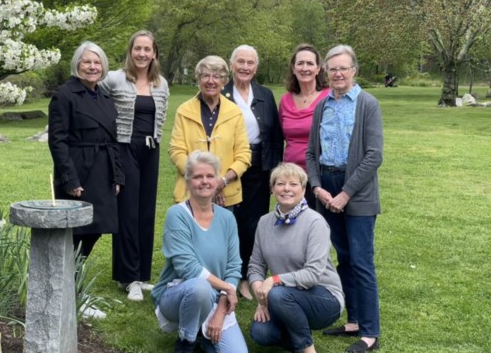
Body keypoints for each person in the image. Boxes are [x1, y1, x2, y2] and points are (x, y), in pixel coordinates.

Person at [306, 45, 383, 353]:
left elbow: (374, 155)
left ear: (354, 71)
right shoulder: (323, 106)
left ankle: (369, 332)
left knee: (362, 262)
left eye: (343, 68)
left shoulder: (368, 104)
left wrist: (346, 193)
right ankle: (352, 320)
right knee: (343, 258)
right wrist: (317, 187)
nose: (337, 73)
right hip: (326, 188)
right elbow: (312, 153)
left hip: (357, 191)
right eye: (332, 69)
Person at [152, 151, 248, 353]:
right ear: (188, 182)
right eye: (197, 177)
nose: (204, 181)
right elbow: (188, 268)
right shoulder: (177, 214)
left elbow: (233, 267)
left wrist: (221, 310)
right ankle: (186, 342)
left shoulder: (227, 218)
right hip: (178, 295)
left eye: (209, 176)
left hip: (217, 298)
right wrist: (229, 289)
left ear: (217, 181)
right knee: (199, 288)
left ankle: (203, 335)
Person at [98, 30, 169, 302]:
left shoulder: (161, 83)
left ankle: (140, 275)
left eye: (147, 49)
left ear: (154, 54)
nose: (142, 54)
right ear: (130, 51)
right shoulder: (114, 79)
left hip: (151, 150)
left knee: (146, 213)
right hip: (125, 148)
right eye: (137, 48)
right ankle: (127, 278)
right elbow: (96, 100)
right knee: (127, 212)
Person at [248, 162, 344, 353]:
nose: (286, 189)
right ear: (272, 188)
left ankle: (307, 349)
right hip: (282, 296)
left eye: (293, 184)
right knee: (261, 332)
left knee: (278, 293)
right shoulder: (264, 222)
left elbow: (313, 275)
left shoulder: (315, 222)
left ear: (303, 188)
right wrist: (261, 297)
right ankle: (295, 327)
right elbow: (255, 266)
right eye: (280, 183)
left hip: (324, 297)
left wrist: (275, 281)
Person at [48, 41, 124, 259]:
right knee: (76, 232)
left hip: (103, 173)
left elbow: (113, 139)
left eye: (97, 62)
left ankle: (73, 277)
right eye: (87, 62)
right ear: (77, 65)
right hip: (79, 172)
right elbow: (57, 141)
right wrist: (68, 179)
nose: (92, 67)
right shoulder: (64, 95)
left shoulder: (104, 97)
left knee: (97, 227)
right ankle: (65, 281)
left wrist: (117, 176)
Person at [221, 44, 283, 300]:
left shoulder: (265, 94)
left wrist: (274, 172)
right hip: (229, 167)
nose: (245, 67)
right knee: (227, 222)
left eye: (250, 63)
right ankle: (225, 275)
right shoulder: (221, 92)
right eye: (241, 62)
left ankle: (247, 276)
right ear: (232, 64)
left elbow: (276, 136)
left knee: (253, 225)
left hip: (259, 166)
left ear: (255, 67)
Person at [169, 55, 251, 210]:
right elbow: (176, 151)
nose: (211, 81)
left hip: (225, 196)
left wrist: (221, 182)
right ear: (198, 79)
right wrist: (201, 180)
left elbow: (243, 155)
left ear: (224, 81)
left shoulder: (234, 112)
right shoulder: (184, 110)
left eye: (217, 76)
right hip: (189, 193)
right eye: (205, 75)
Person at [279, 43, 330, 209]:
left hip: (321, 175)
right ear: (293, 69)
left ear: (318, 68)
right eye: (300, 63)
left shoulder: (329, 97)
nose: (305, 68)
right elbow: (279, 138)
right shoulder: (285, 101)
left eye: (310, 63)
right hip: (292, 178)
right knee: (292, 228)